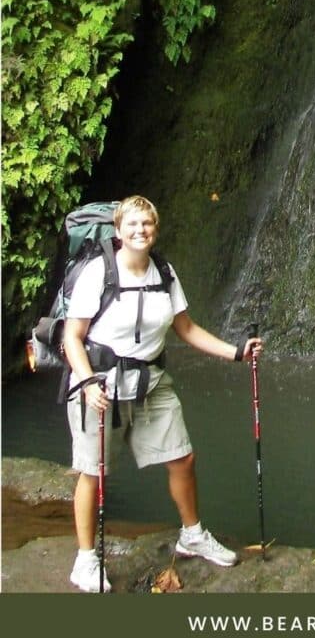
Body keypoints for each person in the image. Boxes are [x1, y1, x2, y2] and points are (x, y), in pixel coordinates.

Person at [63, 194, 262, 593]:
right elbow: (73, 336)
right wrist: (85, 383)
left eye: (147, 224)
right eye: (132, 225)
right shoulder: (97, 274)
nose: (141, 231)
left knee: (183, 458)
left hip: (151, 382)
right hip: (100, 386)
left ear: (155, 229)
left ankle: (192, 535)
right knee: (93, 473)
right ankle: (85, 560)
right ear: (118, 231)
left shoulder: (164, 272)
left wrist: (236, 352)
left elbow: (185, 328)